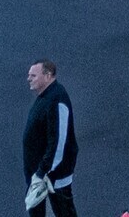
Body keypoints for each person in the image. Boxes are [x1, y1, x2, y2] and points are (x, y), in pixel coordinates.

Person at [22, 57, 79, 216]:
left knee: (64, 210)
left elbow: (59, 142)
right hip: (40, 173)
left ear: (48, 76)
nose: (29, 79)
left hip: (54, 174)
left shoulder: (57, 100)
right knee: (37, 209)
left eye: (33, 75)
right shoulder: (46, 96)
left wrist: (42, 172)